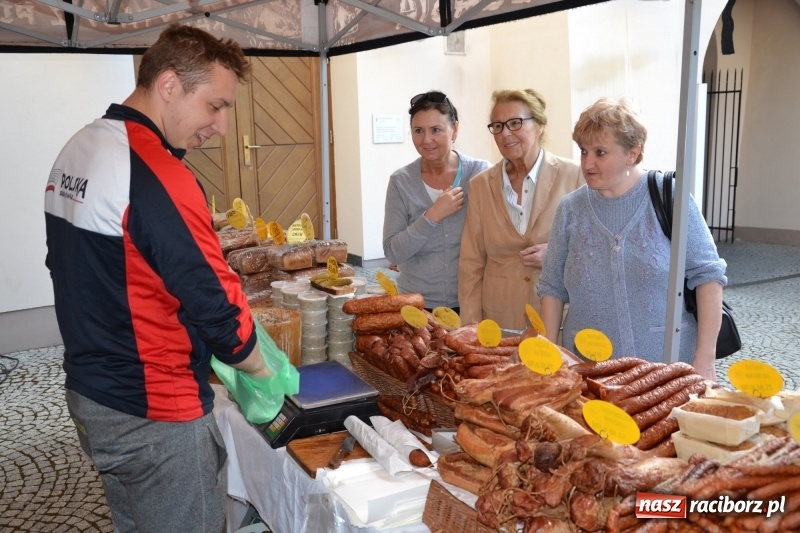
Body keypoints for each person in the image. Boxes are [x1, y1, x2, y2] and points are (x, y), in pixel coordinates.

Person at [44, 24, 270, 532]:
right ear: (169, 86)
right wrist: (260, 369)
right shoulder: (155, 171)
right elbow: (214, 302)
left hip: (92, 391)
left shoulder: (80, 148)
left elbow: (75, 267)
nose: (221, 127)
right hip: (155, 410)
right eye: (215, 106)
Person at [538, 97, 726, 381]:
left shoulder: (670, 197)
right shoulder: (571, 209)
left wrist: (705, 358)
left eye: (600, 152)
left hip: (666, 369)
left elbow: (708, 278)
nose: (587, 163)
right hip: (589, 370)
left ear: (632, 153)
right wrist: (549, 357)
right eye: (583, 151)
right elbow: (552, 288)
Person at [458, 89, 583, 330]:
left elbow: (593, 248)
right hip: (499, 319)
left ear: (540, 126)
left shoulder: (574, 176)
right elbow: (470, 264)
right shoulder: (481, 185)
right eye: (497, 126)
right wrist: (471, 326)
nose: (505, 133)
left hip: (556, 317)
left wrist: (557, 255)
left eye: (515, 123)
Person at [383, 91, 490, 313]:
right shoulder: (401, 181)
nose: (426, 140)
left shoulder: (479, 173)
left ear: (455, 130)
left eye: (436, 130)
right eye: (418, 131)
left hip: (471, 303)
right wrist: (432, 216)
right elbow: (393, 252)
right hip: (415, 305)